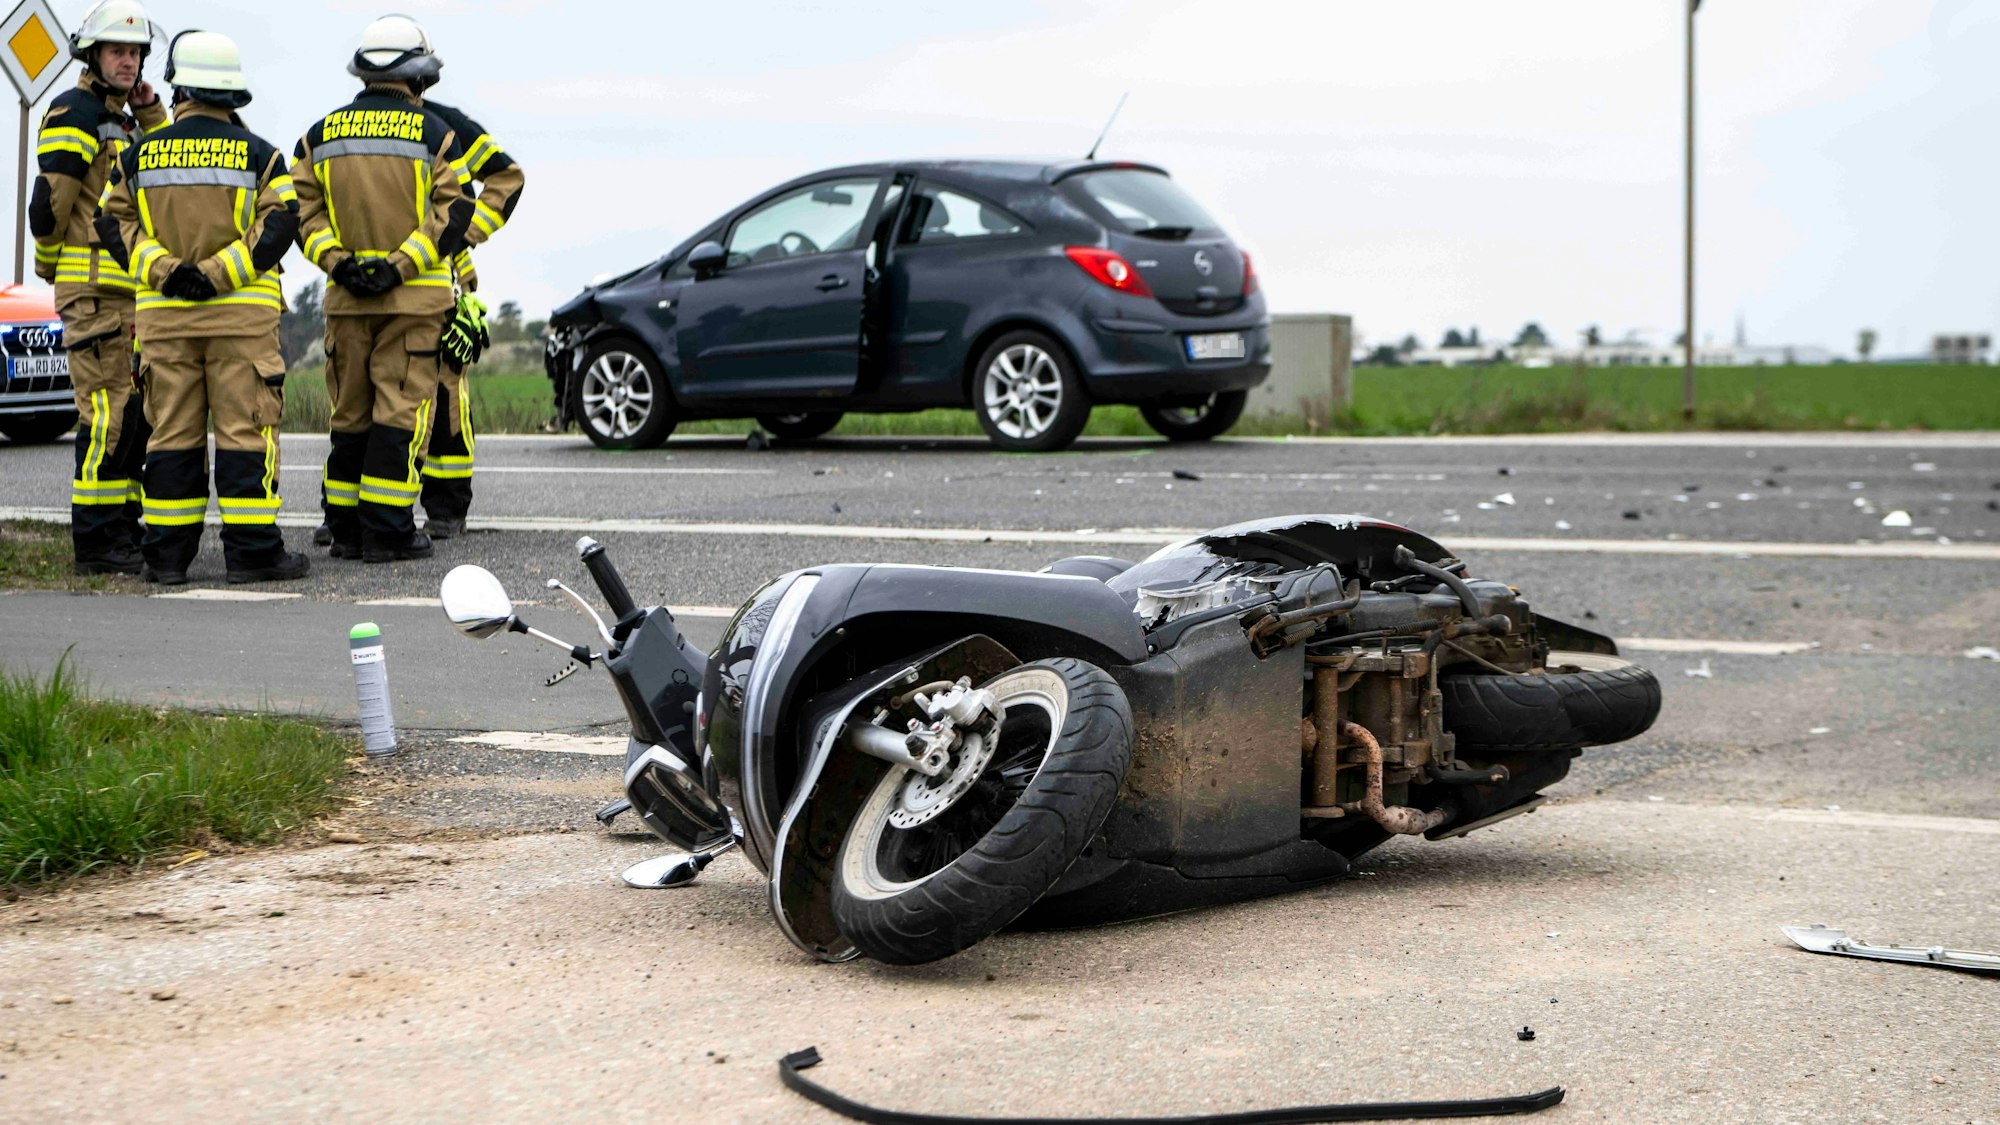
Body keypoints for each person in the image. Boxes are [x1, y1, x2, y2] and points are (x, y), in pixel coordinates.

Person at [97, 30, 307, 584]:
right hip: (241, 324)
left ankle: (166, 559)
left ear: (179, 88)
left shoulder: (139, 156)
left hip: (165, 325)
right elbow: (282, 222)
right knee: (245, 436)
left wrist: (168, 272)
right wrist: (217, 275)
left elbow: (110, 222)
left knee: (171, 438)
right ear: (232, 91)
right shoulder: (262, 155)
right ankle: (253, 555)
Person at [293, 14, 474, 563]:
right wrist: (398, 267)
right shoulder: (436, 134)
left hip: (346, 304)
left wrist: (340, 263)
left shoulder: (319, 135)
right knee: (398, 414)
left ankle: (345, 530)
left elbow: (300, 212)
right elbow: (455, 212)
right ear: (417, 75)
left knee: (349, 416)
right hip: (413, 304)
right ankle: (389, 532)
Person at [29, 0, 166, 575]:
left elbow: (169, 171)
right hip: (93, 296)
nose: (128, 61)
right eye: (117, 51)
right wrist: (52, 268)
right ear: (92, 55)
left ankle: (122, 528)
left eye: (135, 53)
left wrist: (152, 113)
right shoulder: (75, 111)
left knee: (132, 419)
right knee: (106, 416)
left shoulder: (125, 118)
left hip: (127, 299)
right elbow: (49, 207)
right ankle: (96, 541)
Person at [414, 97, 524, 540]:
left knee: (443, 394)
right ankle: (349, 515)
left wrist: (459, 234)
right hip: (379, 281)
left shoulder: (444, 124)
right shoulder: (356, 125)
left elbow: (506, 177)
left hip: (433, 278)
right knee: (359, 398)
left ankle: (445, 508)